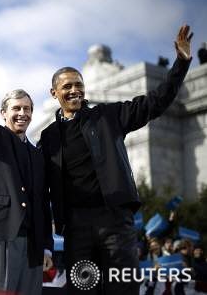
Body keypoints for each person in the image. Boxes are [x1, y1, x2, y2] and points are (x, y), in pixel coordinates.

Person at [38, 24, 193, 294]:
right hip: (75, 229)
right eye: (67, 86)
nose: (75, 90)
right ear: (55, 93)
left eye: (79, 85)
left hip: (115, 223)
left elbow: (155, 102)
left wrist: (180, 63)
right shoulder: (48, 138)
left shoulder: (107, 117)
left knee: (122, 288)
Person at [0, 40, 54, 294]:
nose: (22, 113)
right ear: (3, 113)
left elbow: (41, 202)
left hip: (33, 246)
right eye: (16, 108)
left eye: (27, 109)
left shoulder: (38, 155)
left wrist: (46, 246)